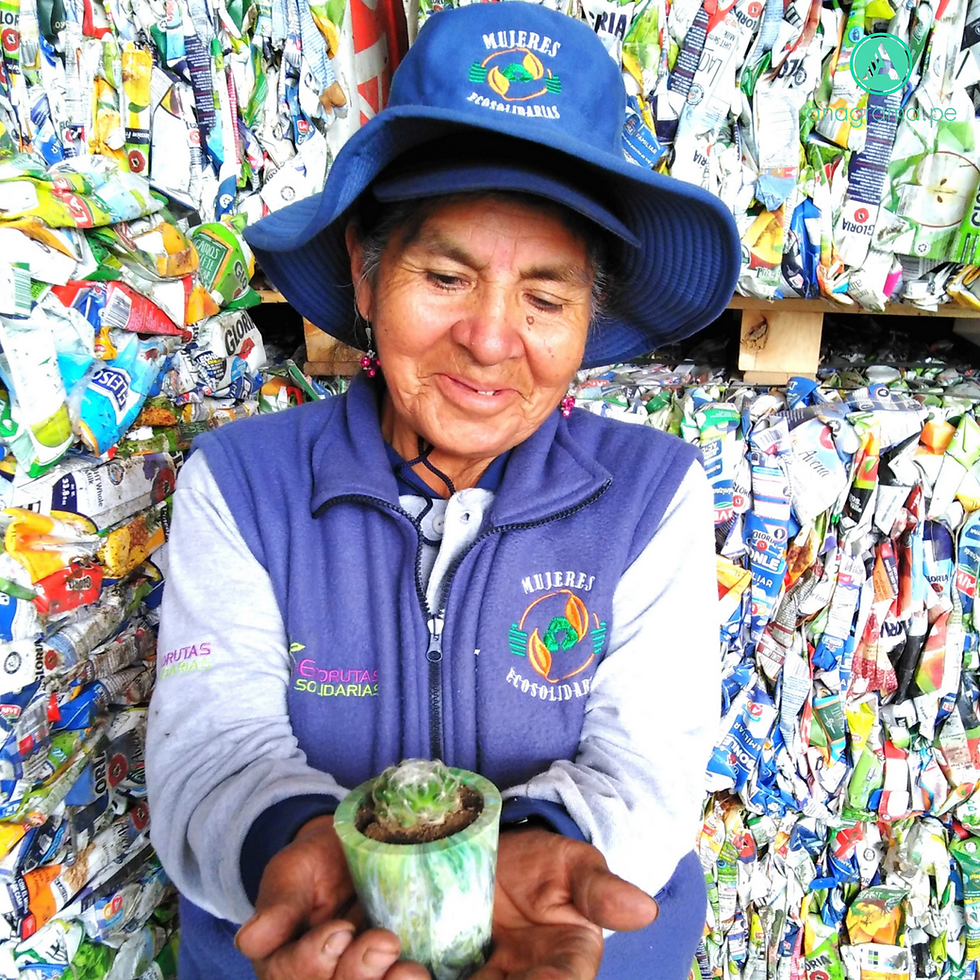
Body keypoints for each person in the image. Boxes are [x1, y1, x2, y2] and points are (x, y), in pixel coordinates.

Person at [145, 3, 741, 978]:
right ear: (365, 269)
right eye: (446, 276)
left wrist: (530, 849)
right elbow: (211, 748)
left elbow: (647, 760)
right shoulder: (243, 485)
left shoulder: (650, 494)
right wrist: (294, 846)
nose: (492, 339)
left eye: (544, 297)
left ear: (587, 315)